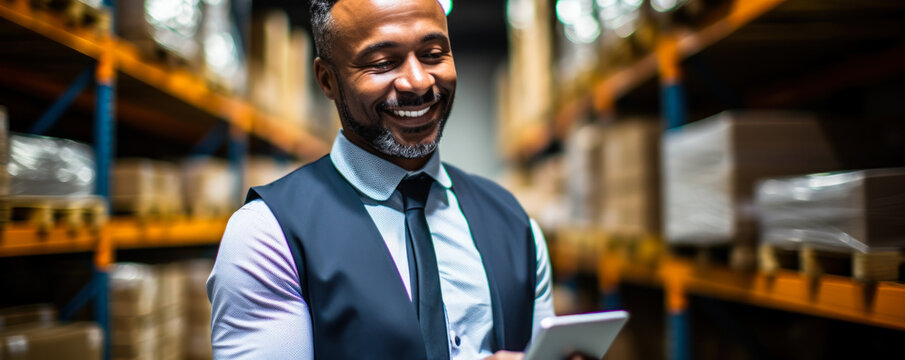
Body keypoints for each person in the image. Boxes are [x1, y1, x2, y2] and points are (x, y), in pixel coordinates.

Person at [206, 0, 555, 359]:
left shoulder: (516, 225)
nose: (418, 82)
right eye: (383, 62)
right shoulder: (268, 236)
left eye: (434, 54)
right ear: (328, 79)